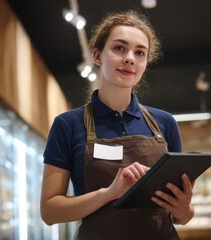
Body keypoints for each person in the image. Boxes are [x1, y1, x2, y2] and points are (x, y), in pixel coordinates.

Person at [40, 10, 193, 239]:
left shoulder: (165, 123)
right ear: (98, 56)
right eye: (119, 48)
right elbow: (50, 211)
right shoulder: (68, 125)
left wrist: (183, 210)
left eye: (140, 52)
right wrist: (109, 193)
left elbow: (182, 217)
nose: (130, 58)